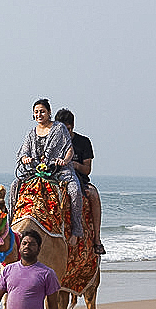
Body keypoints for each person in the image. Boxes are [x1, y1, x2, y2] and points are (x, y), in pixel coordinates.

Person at [8, 99, 83, 247]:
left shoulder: (59, 128)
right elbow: (23, 152)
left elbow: (69, 149)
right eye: (36, 112)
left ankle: (76, 229)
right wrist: (25, 159)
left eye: (42, 111)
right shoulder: (31, 133)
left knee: (74, 190)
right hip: (35, 171)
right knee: (14, 186)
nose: (39, 114)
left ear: (49, 112)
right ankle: (10, 224)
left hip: (58, 170)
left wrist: (65, 161)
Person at [55, 109, 106, 255]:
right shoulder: (53, 143)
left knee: (94, 195)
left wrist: (73, 164)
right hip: (57, 178)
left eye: (69, 129)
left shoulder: (83, 142)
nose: (66, 133)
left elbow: (87, 169)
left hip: (79, 179)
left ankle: (97, 239)